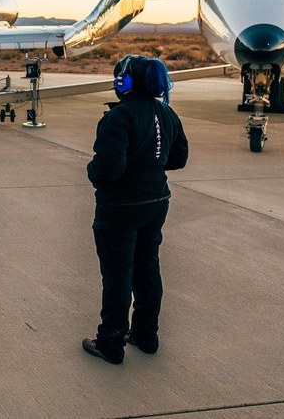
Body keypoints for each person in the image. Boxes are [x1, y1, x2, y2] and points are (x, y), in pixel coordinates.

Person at [82, 55, 188, 365]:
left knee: (117, 276)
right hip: (156, 202)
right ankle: (146, 335)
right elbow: (178, 158)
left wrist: (92, 170)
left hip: (120, 207)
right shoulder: (167, 113)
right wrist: (150, 162)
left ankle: (111, 343)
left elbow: (108, 168)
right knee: (147, 269)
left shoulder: (119, 117)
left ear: (125, 82)